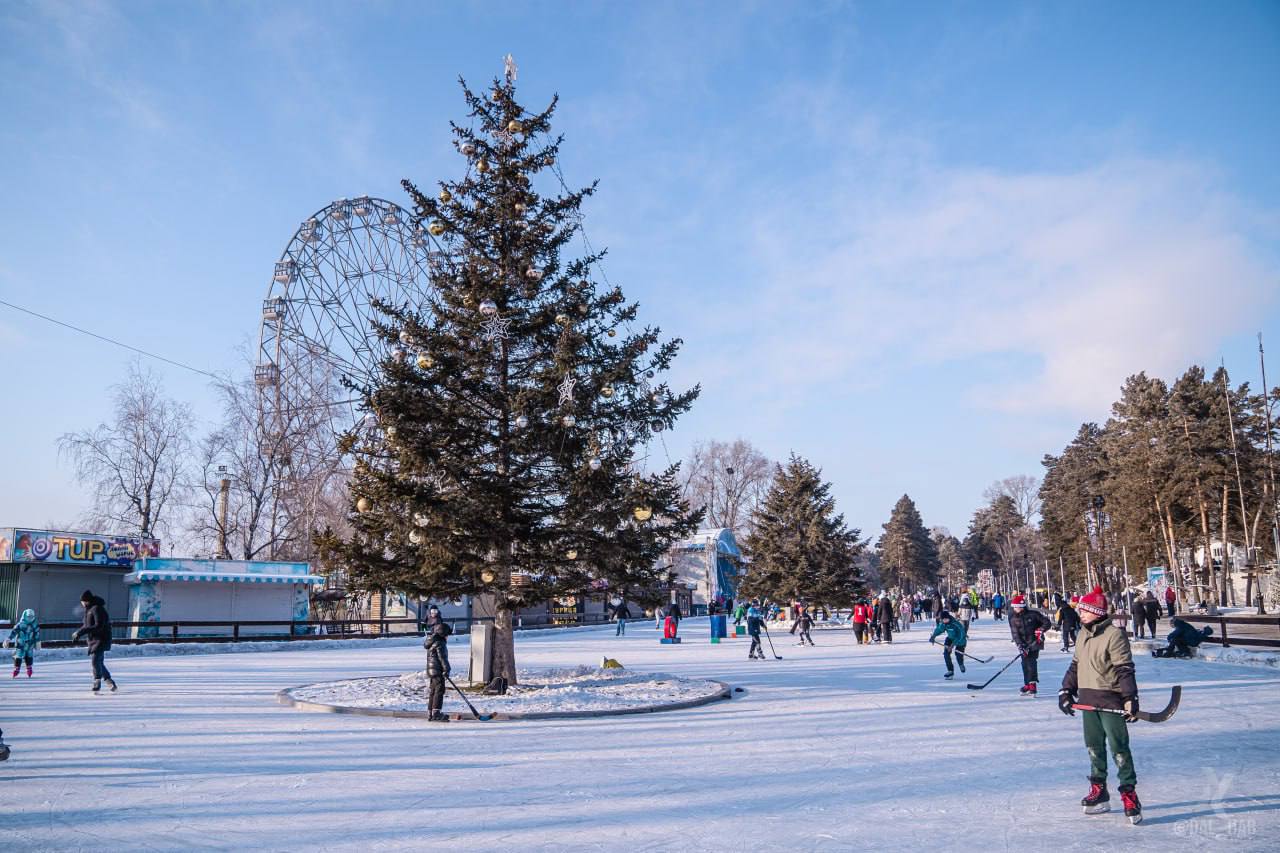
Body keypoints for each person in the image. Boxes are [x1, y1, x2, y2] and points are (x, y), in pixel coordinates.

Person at [1057, 586, 1142, 823]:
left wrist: (1130, 698)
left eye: (1084, 610)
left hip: (1110, 699)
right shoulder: (1083, 633)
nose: (1080, 614)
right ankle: (1099, 790)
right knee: (1093, 746)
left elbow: (1124, 669)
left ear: (1096, 611)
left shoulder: (1114, 635)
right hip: (1087, 700)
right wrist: (1066, 689)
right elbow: (1076, 666)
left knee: (1119, 748)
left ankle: (1129, 793)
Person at [70, 590, 116, 693]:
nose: (81, 603)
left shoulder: (97, 609)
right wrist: (79, 633)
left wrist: (82, 631)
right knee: (99, 662)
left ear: (86, 600)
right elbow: (86, 625)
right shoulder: (89, 610)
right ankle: (109, 681)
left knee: (95, 661)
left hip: (101, 639)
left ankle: (97, 682)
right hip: (94, 640)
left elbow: (98, 625)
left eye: (82, 601)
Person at [1008, 593, 1051, 695]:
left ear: (1021, 607)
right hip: (1023, 644)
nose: (1014, 609)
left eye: (1016, 607)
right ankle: (1027, 684)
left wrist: (1041, 629)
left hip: (1035, 642)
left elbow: (1047, 623)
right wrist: (1020, 645)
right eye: (1014, 607)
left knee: (1031, 663)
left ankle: (1032, 685)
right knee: (1024, 664)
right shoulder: (1013, 619)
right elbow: (1015, 634)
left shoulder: (1033, 615)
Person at [424, 622, 452, 722]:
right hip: (437, 670)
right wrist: (447, 669)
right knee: (439, 691)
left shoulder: (432, 641)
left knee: (433, 691)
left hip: (431, 670)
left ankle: (430, 713)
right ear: (443, 634)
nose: (448, 637)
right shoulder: (440, 643)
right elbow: (442, 658)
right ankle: (436, 713)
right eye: (447, 635)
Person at [929, 611, 968, 679]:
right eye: (943, 619)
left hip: (960, 640)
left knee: (958, 654)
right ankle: (950, 671)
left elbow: (960, 635)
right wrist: (933, 636)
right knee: (946, 654)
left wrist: (952, 645)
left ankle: (961, 664)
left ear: (948, 618)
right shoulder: (944, 624)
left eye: (945, 619)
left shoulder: (956, 624)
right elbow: (939, 629)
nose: (944, 621)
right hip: (950, 638)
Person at [6, 609, 40, 678]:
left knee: (29, 656)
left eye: (32, 617)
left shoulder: (34, 625)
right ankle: (17, 669)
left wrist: (38, 642)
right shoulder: (20, 624)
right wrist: (9, 639)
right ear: (24, 615)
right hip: (20, 644)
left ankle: (29, 668)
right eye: (28, 616)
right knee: (18, 656)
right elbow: (14, 632)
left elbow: (37, 634)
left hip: (30, 644)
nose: (30, 618)